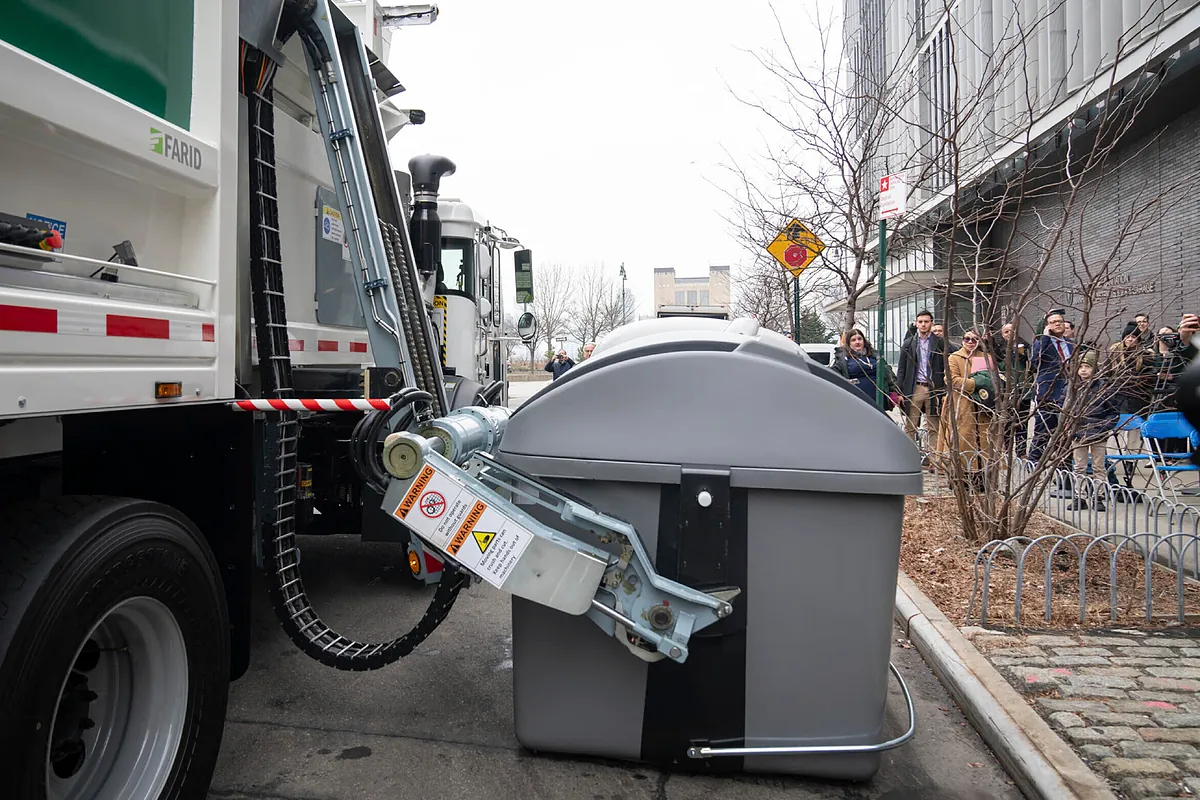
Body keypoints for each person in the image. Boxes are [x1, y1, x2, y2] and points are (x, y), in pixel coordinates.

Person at [936, 328, 997, 491]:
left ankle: (981, 480)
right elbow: (951, 379)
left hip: (983, 405)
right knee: (961, 441)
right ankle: (959, 480)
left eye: (974, 339)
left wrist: (986, 385)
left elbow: (994, 379)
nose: (970, 342)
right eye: (967, 339)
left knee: (983, 442)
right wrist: (976, 383)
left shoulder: (986, 357)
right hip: (961, 404)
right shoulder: (954, 357)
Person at [1068, 350, 1120, 511]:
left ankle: (1099, 496)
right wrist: (1070, 427)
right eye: (1081, 367)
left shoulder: (1104, 388)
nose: (1083, 370)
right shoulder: (1072, 388)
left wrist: (1102, 428)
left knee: (1099, 467)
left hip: (1098, 433)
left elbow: (1113, 413)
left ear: (1095, 368)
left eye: (1087, 367)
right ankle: (1079, 496)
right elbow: (1065, 409)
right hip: (1078, 434)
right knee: (1079, 466)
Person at [895, 310, 944, 449]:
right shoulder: (909, 343)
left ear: (931, 323)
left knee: (934, 426)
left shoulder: (940, 343)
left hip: (934, 388)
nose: (923, 324)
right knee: (911, 425)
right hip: (915, 387)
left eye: (926, 322)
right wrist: (899, 391)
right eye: (920, 322)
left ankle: (934, 458)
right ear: (916, 323)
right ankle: (909, 455)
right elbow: (901, 369)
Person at [1029, 310, 1074, 462]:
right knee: (1043, 430)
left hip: (1068, 393)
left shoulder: (1071, 343)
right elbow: (1035, 361)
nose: (1057, 324)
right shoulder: (1042, 343)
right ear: (1047, 326)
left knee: (1065, 433)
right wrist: (1045, 337)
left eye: (1060, 321)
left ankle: (1063, 466)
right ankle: (1033, 462)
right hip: (1048, 393)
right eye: (1053, 322)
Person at [832, 329, 900, 412]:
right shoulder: (843, 358)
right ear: (849, 343)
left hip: (877, 398)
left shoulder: (875, 355)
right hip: (856, 399)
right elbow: (835, 375)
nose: (857, 342)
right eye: (853, 340)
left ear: (864, 340)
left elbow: (889, 373)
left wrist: (895, 392)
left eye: (859, 339)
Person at [992, 322, 1032, 457]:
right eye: (1006, 332)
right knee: (1007, 423)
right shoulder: (998, 349)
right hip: (1006, 391)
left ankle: (1021, 452)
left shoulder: (1025, 346)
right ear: (1002, 334)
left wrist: (1021, 354)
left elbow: (1032, 365)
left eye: (1012, 330)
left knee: (1022, 423)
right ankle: (1006, 451)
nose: (1009, 334)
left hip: (1023, 390)